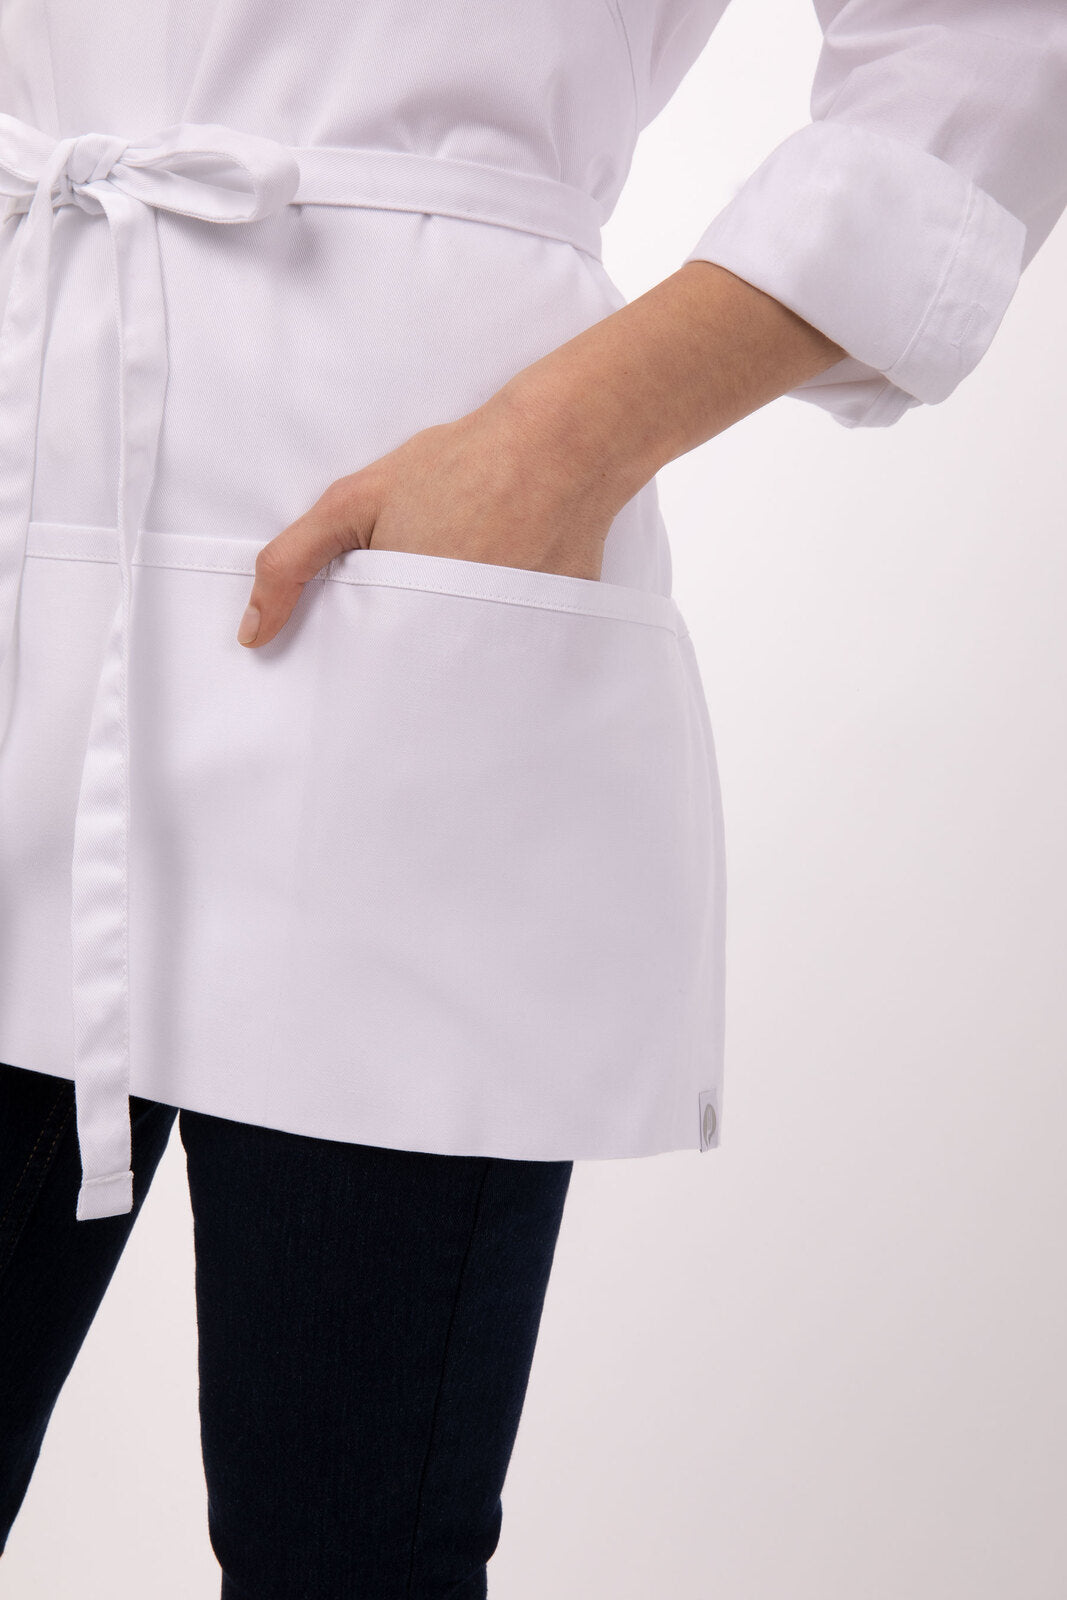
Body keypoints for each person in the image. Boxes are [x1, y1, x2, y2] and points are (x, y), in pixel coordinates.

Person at [1, 1, 1065, 1593]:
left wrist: (561, 442)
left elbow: (987, 41)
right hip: (29, 465)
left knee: (345, 1547)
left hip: (404, 574)